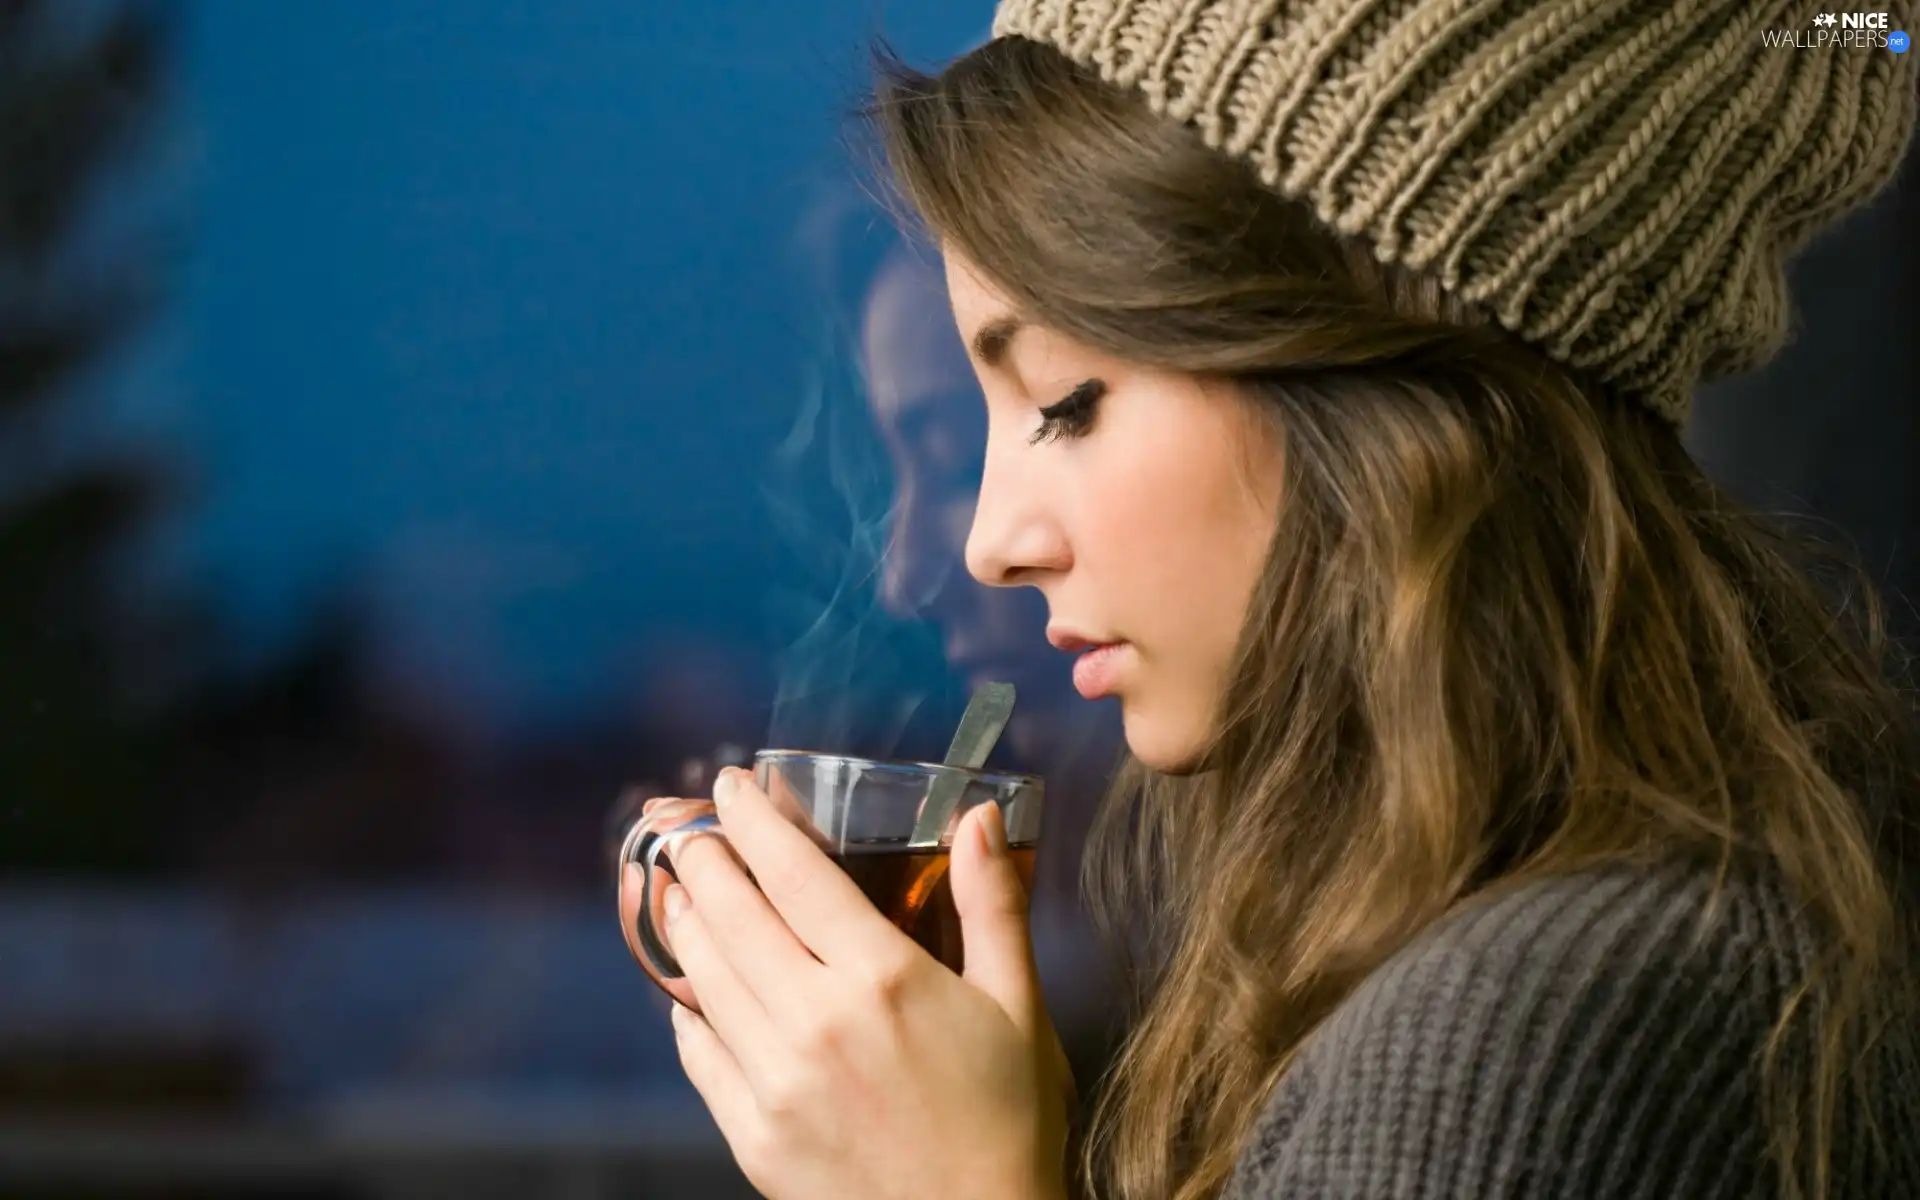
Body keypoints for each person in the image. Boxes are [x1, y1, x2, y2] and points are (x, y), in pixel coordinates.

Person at [645, 4, 1920, 1199]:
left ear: (1379, 395)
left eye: (1064, 401)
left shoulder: (1524, 1035)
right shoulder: (1597, 933)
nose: (988, 544)